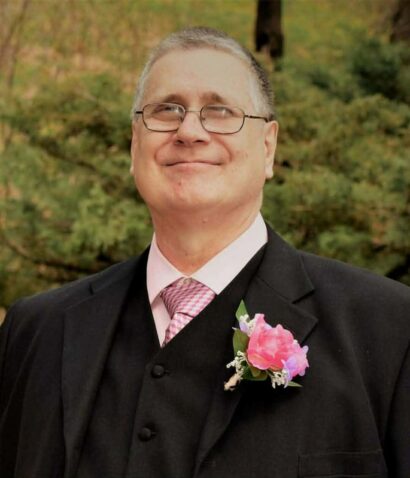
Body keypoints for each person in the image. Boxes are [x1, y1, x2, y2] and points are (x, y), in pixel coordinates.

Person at [0, 26, 409, 478]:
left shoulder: (389, 331)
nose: (190, 131)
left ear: (268, 147)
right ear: (135, 144)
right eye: (166, 110)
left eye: (220, 111)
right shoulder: (36, 332)